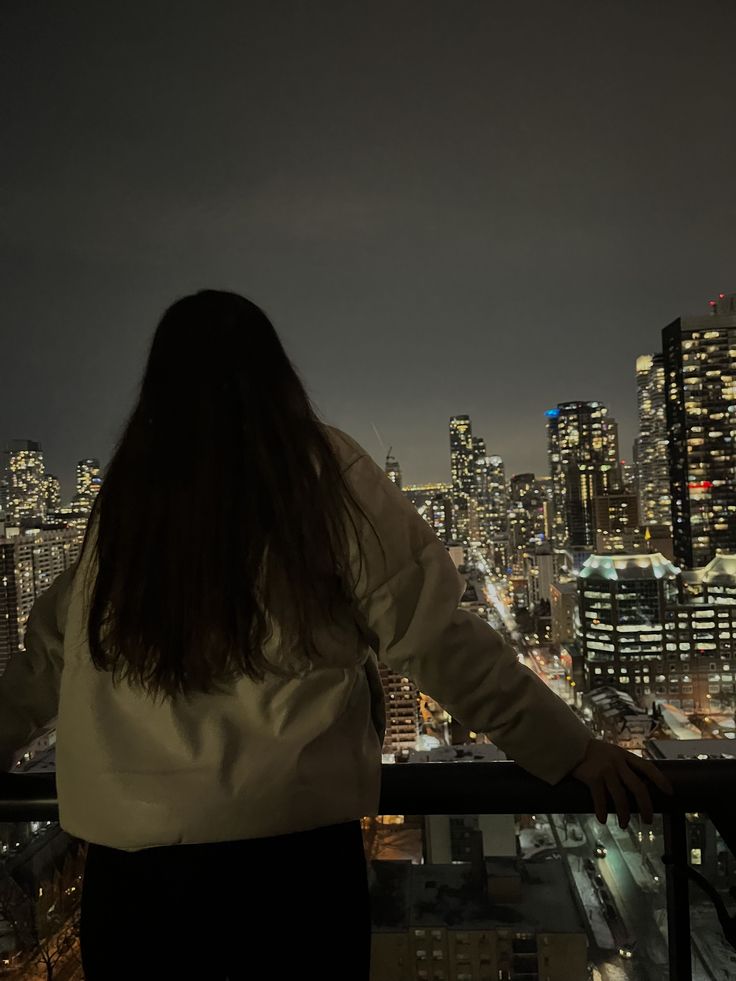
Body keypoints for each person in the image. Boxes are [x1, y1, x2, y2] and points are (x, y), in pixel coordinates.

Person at [0, 291, 671, 979]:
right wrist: (570, 750)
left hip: (133, 887)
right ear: (274, 375)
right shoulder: (321, 475)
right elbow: (436, 635)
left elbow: (48, 657)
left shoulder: (128, 500)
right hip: (287, 875)